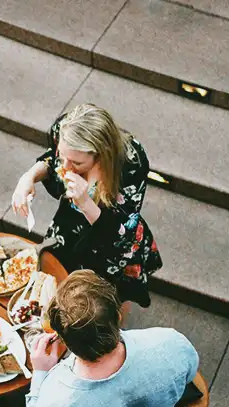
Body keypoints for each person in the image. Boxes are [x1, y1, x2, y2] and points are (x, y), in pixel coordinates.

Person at [14, 270, 199, 407]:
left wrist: (40, 375)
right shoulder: (169, 343)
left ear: (63, 340)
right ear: (118, 316)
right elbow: (189, 373)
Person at [12, 104, 162, 309]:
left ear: (102, 155)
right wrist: (28, 176)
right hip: (70, 228)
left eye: (76, 163)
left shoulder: (131, 164)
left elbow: (119, 231)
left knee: (101, 303)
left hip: (111, 243)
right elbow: (52, 159)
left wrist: (85, 203)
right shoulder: (65, 130)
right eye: (63, 157)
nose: (64, 168)